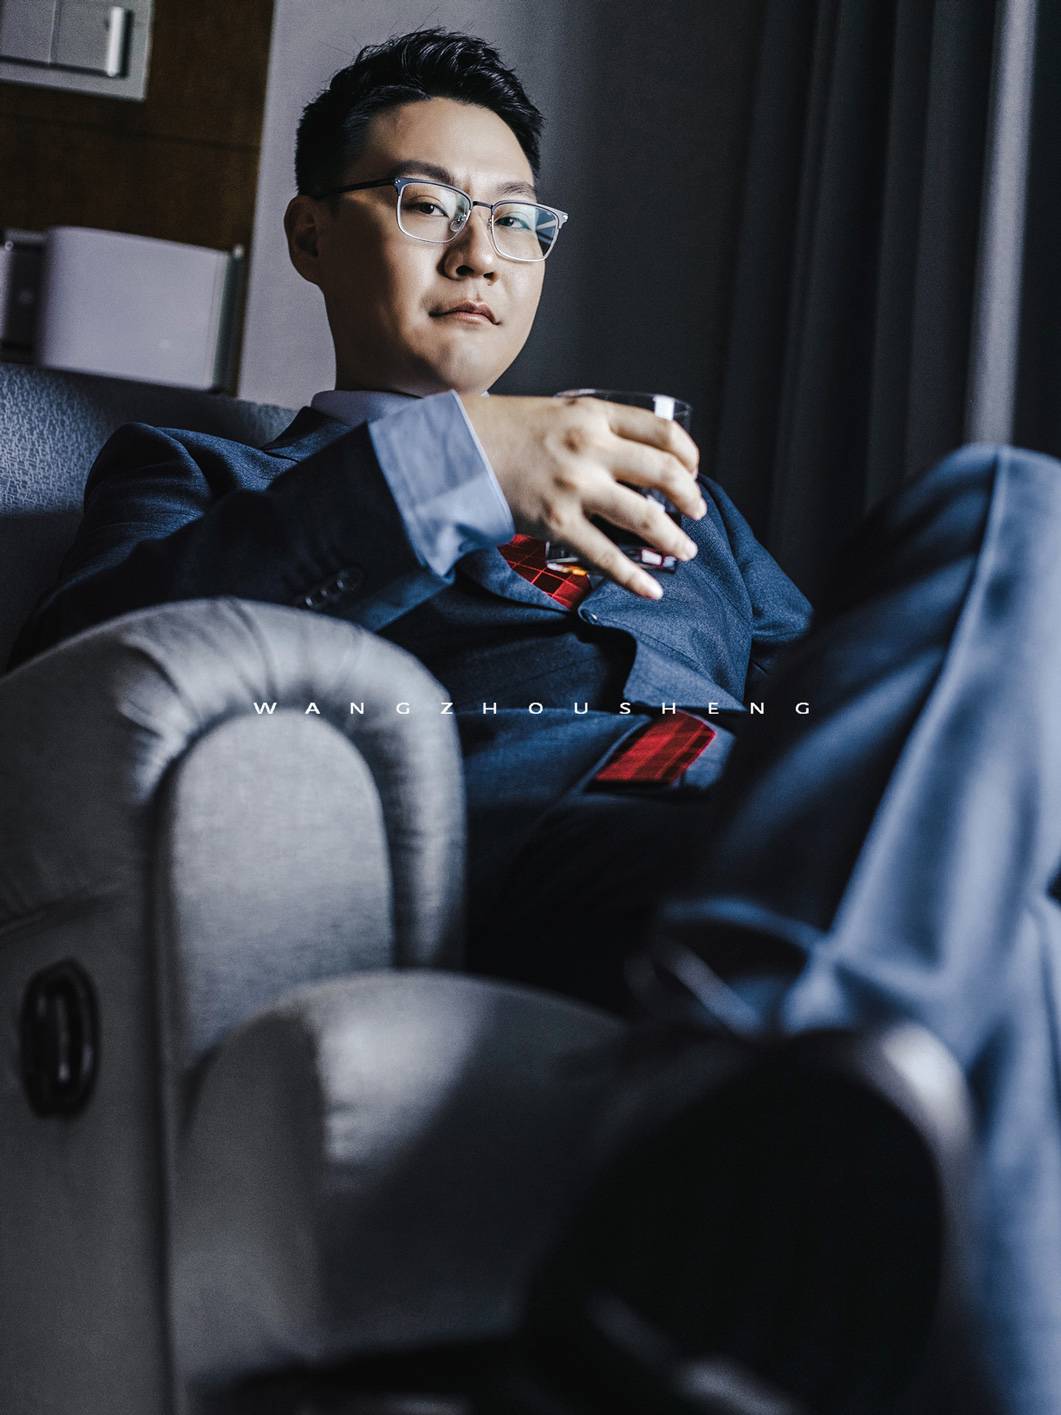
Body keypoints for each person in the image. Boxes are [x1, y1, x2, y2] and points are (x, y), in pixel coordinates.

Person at [8, 26, 1060, 1415]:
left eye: (516, 219)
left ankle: (724, 1147)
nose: (480, 253)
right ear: (312, 235)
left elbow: (829, 693)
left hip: (753, 837)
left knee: (1014, 515)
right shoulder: (200, 473)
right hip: (546, 851)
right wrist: (450, 464)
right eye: (426, 203)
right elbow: (84, 684)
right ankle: (741, 1122)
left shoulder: (682, 500)